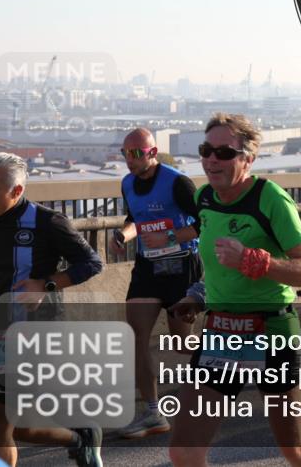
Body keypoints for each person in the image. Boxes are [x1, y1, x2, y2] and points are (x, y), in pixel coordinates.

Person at [167, 113, 301, 467]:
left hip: (271, 330)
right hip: (221, 331)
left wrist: (256, 262)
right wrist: (197, 296)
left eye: (223, 153)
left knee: (294, 449)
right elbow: (219, 269)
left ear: (247, 159)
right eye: (206, 150)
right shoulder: (205, 199)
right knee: (183, 450)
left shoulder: (271, 198)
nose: (211, 159)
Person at [0, 153, 104, 467]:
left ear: (16, 192)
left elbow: (92, 263)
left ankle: (80, 436)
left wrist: (47, 283)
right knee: (18, 425)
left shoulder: (47, 221)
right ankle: (80, 436)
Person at [110, 128, 201, 439]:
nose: (130, 160)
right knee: (134, 338)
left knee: (181, 344)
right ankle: (153, 412)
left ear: (152, 152)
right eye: (125, 154)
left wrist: (170, 236)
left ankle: (231, 361)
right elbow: (133, 219)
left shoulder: (177, 182)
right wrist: (123, 235)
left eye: (136, 153)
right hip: (148, 268)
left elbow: (204, 223)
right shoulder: (127, 184)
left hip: (181, 267)